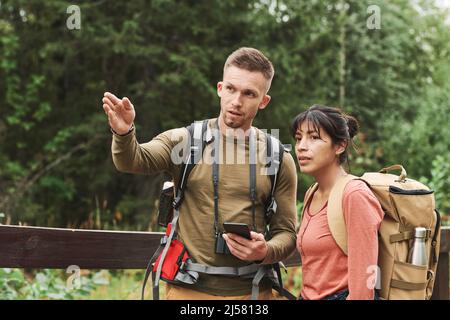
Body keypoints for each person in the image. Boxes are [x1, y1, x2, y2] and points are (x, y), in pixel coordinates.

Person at [101, 47, 297, 300]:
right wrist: (124, 132)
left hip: (252, 292)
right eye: (231, 89)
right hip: (185, 290)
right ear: (219, 88)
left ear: (263, 101)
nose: (237, 101)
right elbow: (134, 161)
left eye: (249, 93)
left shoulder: (277, 156)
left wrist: (265, 251)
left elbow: (287, 234)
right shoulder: (187, 141)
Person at [292, 105, 384, 300]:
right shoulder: (312, 193)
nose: (301, 146)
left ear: (340, 145)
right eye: (299, 138)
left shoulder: (354, 195)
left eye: (314, 137)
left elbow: (363, 288)